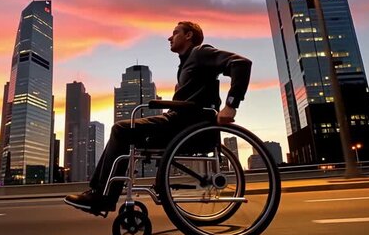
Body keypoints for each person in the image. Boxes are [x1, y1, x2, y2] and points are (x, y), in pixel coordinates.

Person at [64, 21, 252, 214]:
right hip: (181, 123)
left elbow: (241, 64)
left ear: (188, 35)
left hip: (186, 124)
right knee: (127, 134)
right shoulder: (187, 63)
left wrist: (231, 104)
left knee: (121, 129)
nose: (169, 37)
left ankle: (101, 196)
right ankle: (100, 192)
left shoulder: (201, 52)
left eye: (175, 33)